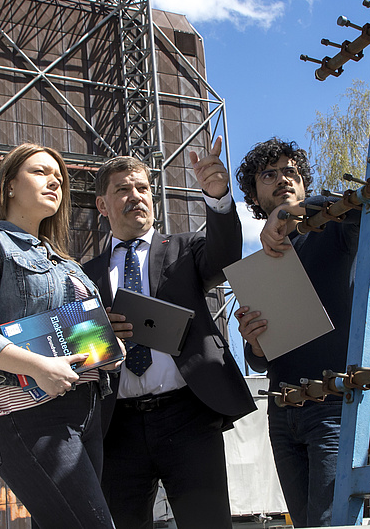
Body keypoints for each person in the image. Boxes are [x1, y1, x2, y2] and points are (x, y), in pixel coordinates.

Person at [0, 144, 124, 529]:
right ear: (8, 185)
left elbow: (71, 332)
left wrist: (107, 347)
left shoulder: (68, 262)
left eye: (59, 178)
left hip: (88, 411)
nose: (54, 181)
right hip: (29, 413)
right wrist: (38, 366)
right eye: (41, 173)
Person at [82, 136, 256, 529]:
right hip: (118, 427)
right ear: (102, 205)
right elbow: (76, 352)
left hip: (188, 417)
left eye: (142, 188)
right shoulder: (82, 275)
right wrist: (99, 335)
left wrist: (218, 199)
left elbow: (226, 256)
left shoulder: (185, 248)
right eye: (122, 189)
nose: (135, 196)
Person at [234, 137, 361, 528]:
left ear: (304, 184)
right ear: (255, 196)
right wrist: (253, 342)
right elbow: (260, 358)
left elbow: (356, 204)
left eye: (291, 171)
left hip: (333, 404)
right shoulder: (259, 266)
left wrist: (293, 214)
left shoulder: (334, 231)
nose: (282, 178)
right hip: (282, 409)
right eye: (269, 175)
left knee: (332, 523)